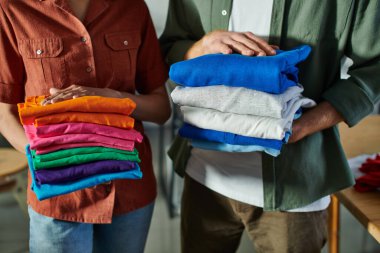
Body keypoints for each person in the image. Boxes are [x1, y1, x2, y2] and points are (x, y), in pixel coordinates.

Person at [160, 0, 380, 252]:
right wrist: (201, 46)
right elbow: (170, 47)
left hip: (294, 186)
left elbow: (374, 68)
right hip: (204, 173)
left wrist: (304, 125)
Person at [0, 0, 170, 252]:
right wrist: (54, 162)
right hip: (58, 197)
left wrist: (113, 99)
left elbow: (160, 108)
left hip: (129, 191)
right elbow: (5, 114)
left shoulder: (132, 7)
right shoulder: (12, 8)